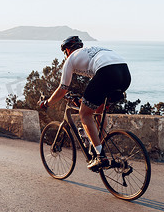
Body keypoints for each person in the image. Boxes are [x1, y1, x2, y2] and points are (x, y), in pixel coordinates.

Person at [38, 36, 131, 171]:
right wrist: (84, 100)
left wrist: (46, 103)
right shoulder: (90, 51)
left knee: (84, 114)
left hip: (106, 72)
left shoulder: (70, 59)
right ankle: (99, 145)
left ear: (67, 50)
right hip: (124, 73)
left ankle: (100, 156)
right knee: (98, 110)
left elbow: (63, 89)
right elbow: (97, 88)